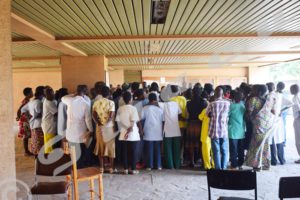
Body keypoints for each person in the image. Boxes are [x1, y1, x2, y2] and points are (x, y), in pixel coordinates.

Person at [245, 84, 275, 171]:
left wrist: (248, 117)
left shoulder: (253, 100)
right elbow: (273, 111)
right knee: (265, 144)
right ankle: (266, 164)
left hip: (258, 125)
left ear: (258, 91)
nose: (252, 91)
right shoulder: (269, 100)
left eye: (253, 89)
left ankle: (257, 166)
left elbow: (249, 113)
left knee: (256, 144)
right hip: (268, 124)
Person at [62, 85, 93, 169]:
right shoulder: (86, 103)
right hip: (81, 131)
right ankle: (80, 168)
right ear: (86, 92)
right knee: (81, 152)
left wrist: (73, 94)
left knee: (73, 152)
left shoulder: (70, 100)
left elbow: (63, 98)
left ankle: (74, 168)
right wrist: (91, 130)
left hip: (71, 132)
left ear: (76, 91)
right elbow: (88, 120)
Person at [116, 92, 143, 174]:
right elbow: (134, 120)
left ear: (123, 100)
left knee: (125, 151)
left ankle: (125, 169)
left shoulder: (120, 109)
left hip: (123, 132)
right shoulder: (133, 108)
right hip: (132, 133)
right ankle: (133, 169)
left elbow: (118, 121)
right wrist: (131, 128)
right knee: (133, 151)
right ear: (131, 99)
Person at [93, 86, 116, 173]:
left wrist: (99, 124)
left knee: (100, 147)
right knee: (110, 148)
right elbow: (111, 116)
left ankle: (101, 168)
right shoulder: (111, 103)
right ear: (109, 93)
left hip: (99, 128)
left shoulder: (96, 103)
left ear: (101, 94)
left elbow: (94, 115)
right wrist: (106, 125)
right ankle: (111, 168)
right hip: (109, 128)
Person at [206, 86, 230, 170]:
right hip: (224, 130)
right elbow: (228, 115)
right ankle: (224, 168)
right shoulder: (227, 103)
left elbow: (207, 114)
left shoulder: (211, 104)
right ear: (222, 94)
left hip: (214, 130)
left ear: (215, 94)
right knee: (224, 150)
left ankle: (218, 169)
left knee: (216, 151)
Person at [270, 82, 293, 165]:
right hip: (278, 119)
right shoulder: (280, 95)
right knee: (279, 139)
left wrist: (280, 111)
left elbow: (291, 103)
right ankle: (281, 160)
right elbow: (291, 103)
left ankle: (274, 161)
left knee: (273, 140)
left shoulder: (271, 96)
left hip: (272, 120)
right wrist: (281, 111)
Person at [141, 93, 164, 170]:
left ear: (149, 99)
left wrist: (141, 130)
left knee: (149, 149)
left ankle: (149, 166)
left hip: (148, 130)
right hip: (158, 131)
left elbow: (140, 119)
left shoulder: (145, 108)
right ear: (156, 99)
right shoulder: (160, 109)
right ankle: (158, 165)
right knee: (157, 149)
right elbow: (163, 120)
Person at [186, 87, 207, 167]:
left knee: (191, 144)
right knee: (201, 143)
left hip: (191, 124)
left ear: (193, 93)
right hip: (201, 124)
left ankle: (192, 162)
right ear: (201, 92)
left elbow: (187, 115)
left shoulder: (189, 103)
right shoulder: (204, 103)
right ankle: (202, 162)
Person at [21, 86, 45, 155]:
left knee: (35, 142)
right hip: (38, 125)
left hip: (33, 124)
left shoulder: (32, 101)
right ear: (41, 94)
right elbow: (39, 113)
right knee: (39, 143)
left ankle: (36, 158)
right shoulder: (38, 102)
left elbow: (23, 109)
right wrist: (35, 116)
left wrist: (30, 118)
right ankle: (39, 160)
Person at [168, 85, 187, 165]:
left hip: (172, 124)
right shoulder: (183, 99)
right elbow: (185, 110)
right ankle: (180, 158)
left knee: (173, 143)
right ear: (179, 91)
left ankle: (174, 159)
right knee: (181, 142)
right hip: (183, 124)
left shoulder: (169, 100)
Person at [162, 93, 182, 169]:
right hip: (176, 129)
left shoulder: (163, 105)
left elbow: (162, 119)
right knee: (177, 149)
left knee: (168, 149)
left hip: (167, 129)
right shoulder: (176, 104)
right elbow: (179, 115)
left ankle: (170, 166)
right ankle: (177, 165)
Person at [228, 91, 245, 169]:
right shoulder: (243, 106)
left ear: (233, 98)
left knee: (233, 148)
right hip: (241, 130)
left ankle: (234, 164)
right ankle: (241, 163)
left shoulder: (231, 106)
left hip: (232, 130)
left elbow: (227, 116)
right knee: (241, 148)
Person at [16, 87, 33, 156]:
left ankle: (27, 151)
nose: (33, 93)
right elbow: (19, 109)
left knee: (27, 135)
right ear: (28, 94)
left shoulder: (27, 100)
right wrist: (18, 116)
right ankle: (26, 151)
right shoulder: (26, 101)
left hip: (25, 120)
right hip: (24, 120)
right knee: (25, 136)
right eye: (31, 92)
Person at [41, 87, 58, 153]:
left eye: (52, 93)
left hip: (49, 125)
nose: (53, 94)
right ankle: (48, 159)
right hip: (49, 126)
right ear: (46, 95)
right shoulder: (49, 103)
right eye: (51, 93)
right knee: (49, 145)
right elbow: (56, 113)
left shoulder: (49, 101)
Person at [290, 84, 300, 164]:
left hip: (298, 120)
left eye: (291, 89)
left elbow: (298, 109)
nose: (290, 91)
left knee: (298, 141)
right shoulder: (297, 96)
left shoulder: (295, 98)